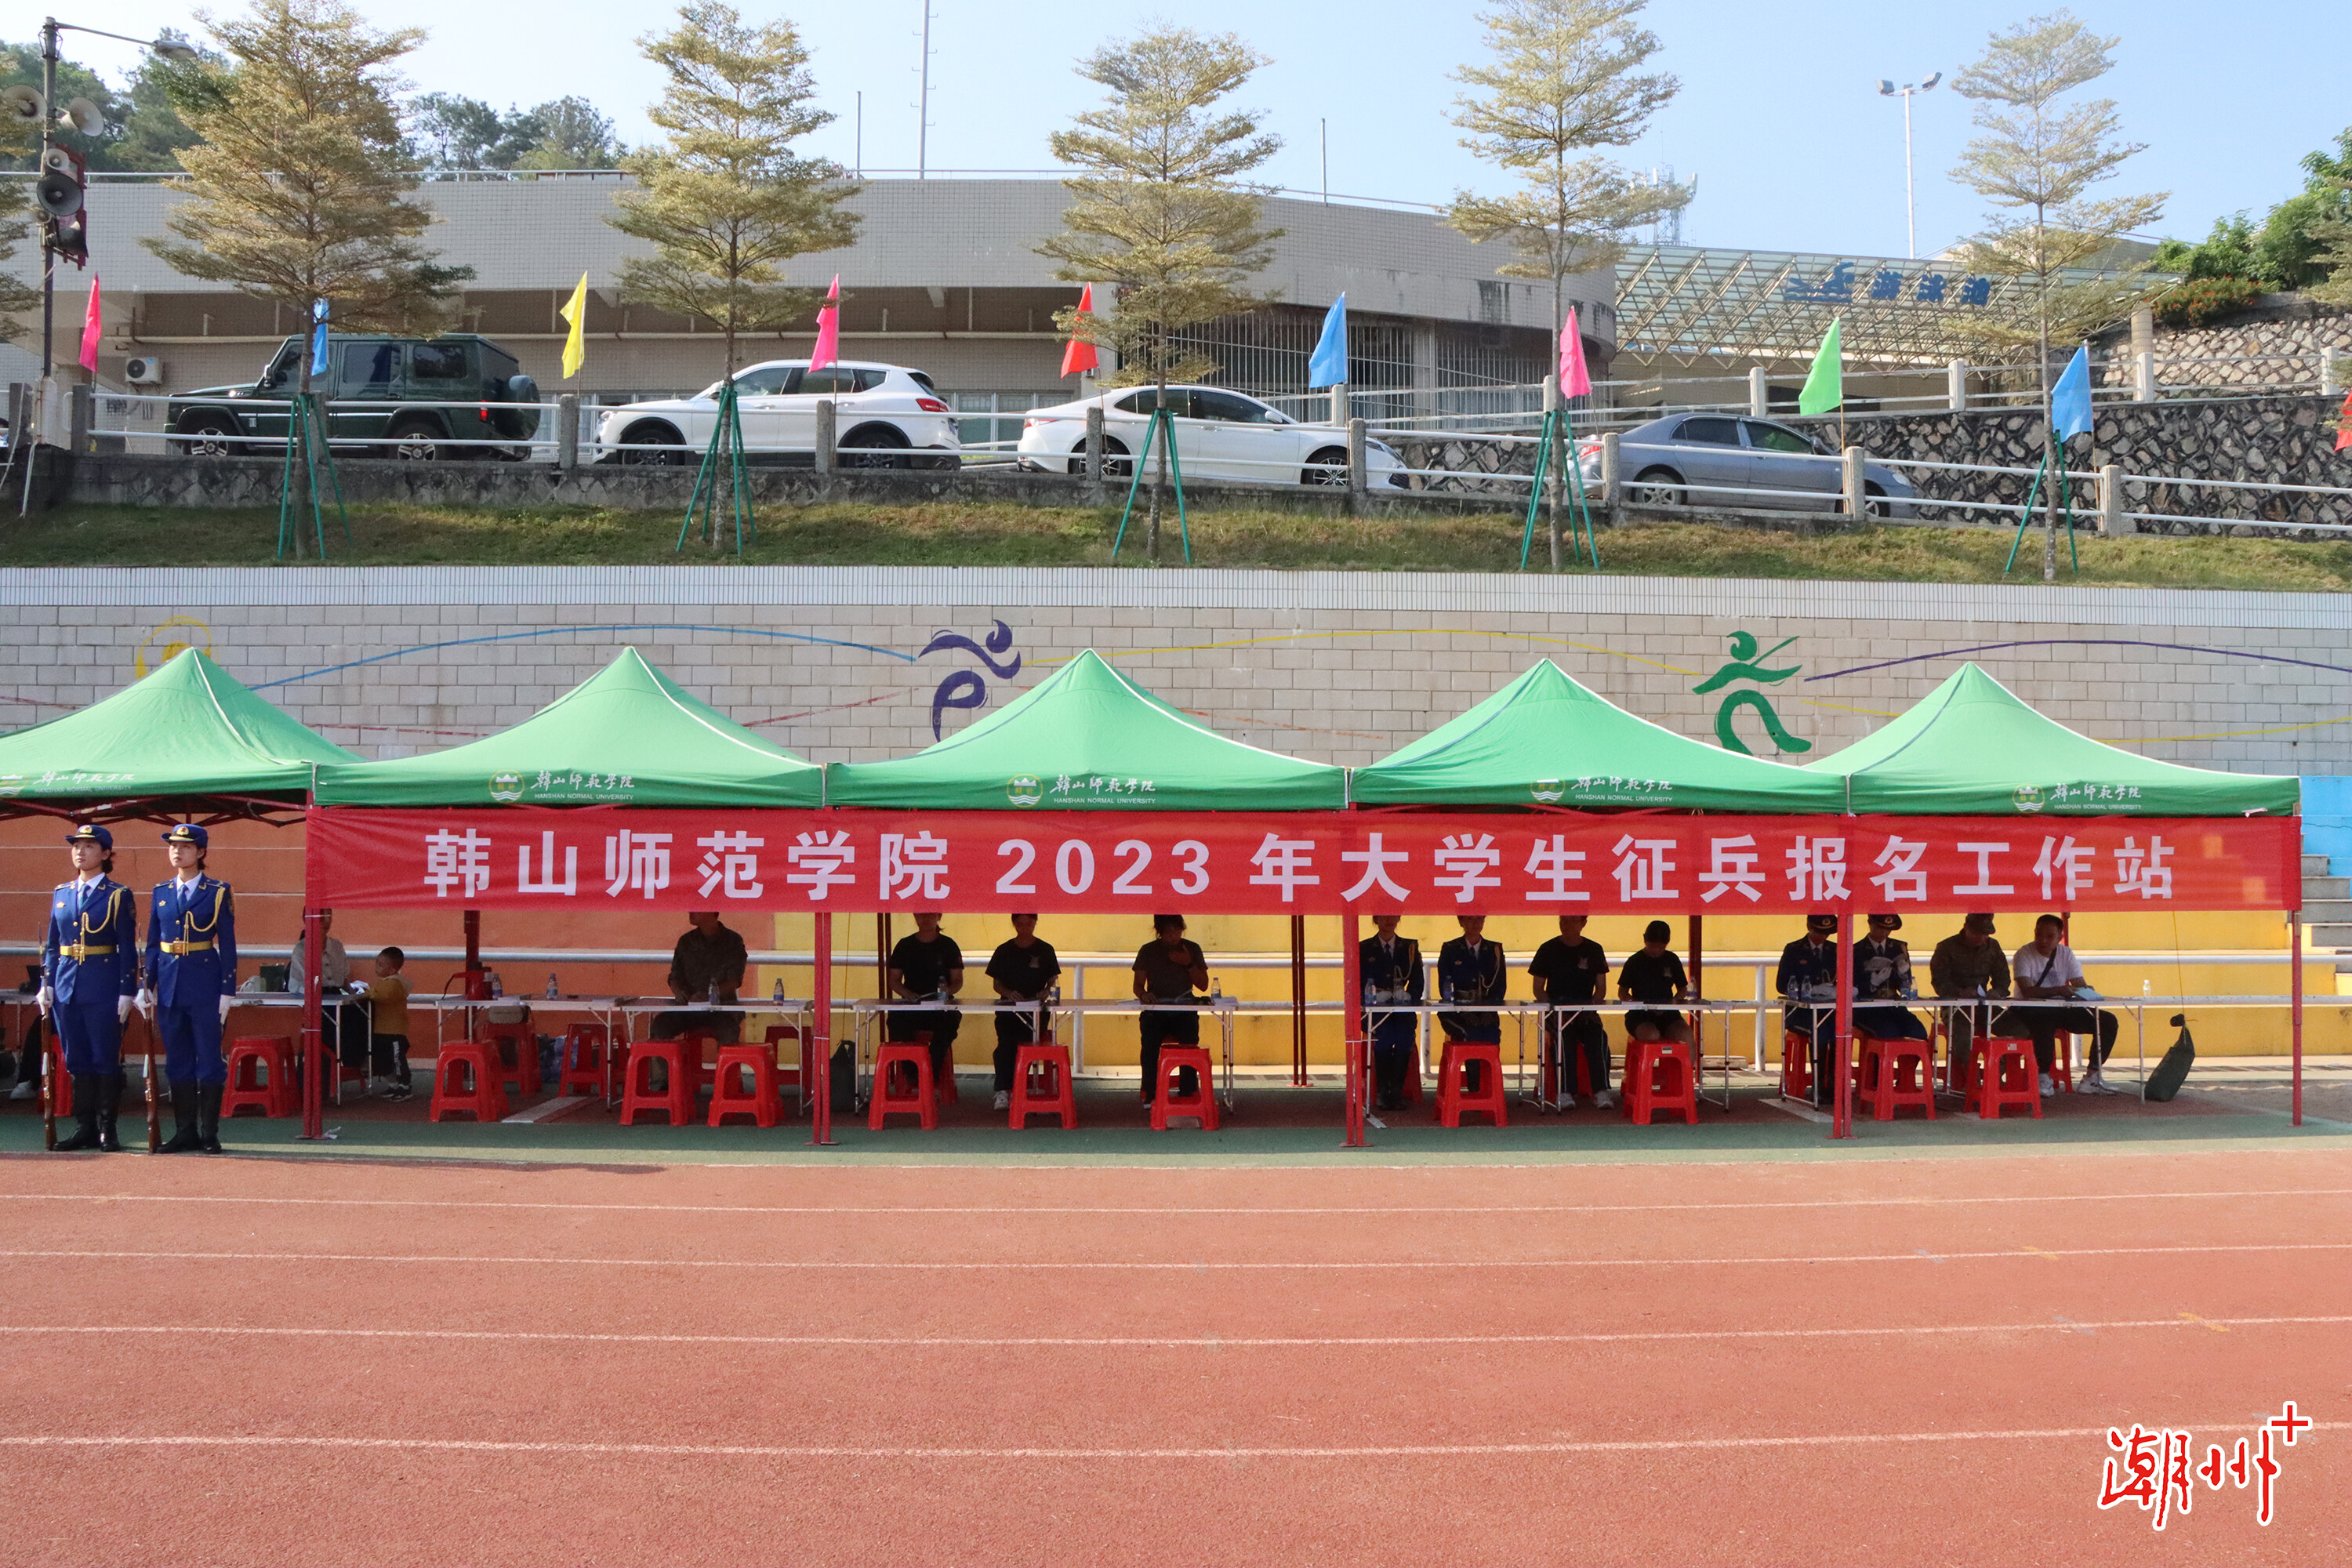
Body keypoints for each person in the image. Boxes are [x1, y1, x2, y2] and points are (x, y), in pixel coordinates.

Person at [140, 823, 238, 1153]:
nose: (177, 851)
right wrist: (146, 984)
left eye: (184, 847)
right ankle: (185, 1131)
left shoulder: (217, 891)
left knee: (209, 1060)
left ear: (201, 852)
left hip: (204, 984)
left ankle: (209, 1133)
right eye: (172, 846)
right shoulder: (161, 891)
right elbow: (153, 943)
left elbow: (228, 943)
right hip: (169, 986)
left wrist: (227, 991)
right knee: (177, 1061)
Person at [39, 825, 139, 1152]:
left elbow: (127, 947)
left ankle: (108, 1129)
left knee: (103, 1058)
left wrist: (127, 990)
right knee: (76, 1059)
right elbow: (53, 945)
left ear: (106, 854)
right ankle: (85, 1127)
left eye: (89, 846)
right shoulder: (62, 893)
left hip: (102, 986)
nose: (80, 852)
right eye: (76, 846)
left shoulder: (117, 895)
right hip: (67, 986)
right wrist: (47, 983)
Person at [2012, 914, 2123, 1096]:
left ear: (2059, 937)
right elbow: (2027, 991)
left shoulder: (2066, 954)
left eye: (2050, 936)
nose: (2043, 940)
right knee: (2045, 1021)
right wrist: (2059, 990)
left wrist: (2086, 990)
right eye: (2039, 934)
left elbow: (2078, 981)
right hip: (2029, 1009)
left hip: (2062, 1008)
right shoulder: (2023, 954)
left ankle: (2092, 1076)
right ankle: (2043, 1076)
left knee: (2107, 1021)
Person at [1526, 914, 1613, 1110]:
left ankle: (1601, 1090)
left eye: (1573, 920)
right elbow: (1538, 988)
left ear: (1583, 923)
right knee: (1563, 1036)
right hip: (1557, 1012)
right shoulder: (1547, 949)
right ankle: (1564, 1092)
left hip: (1585, 1012)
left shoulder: (1594, 949)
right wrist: (1554, 1009)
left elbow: (1600, 989)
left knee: (1598, 1036)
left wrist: (1590, 1009)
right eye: (1563, 920)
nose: (1567, 925)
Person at [985, 915, 1060, 1112]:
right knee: (1006, 1046)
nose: (1025, 928)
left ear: (1035, 923)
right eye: (1020, 924)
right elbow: (996, 984)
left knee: (1028, 1046)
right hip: (1009, 1011)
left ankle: (1022, 1088)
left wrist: (1046, 991)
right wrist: (1009, 993)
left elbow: (1052, 979)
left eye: (1030, 923)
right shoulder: (1004, 950)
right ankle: (1002, 1090)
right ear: (1014, 924)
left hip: (1036, 1012)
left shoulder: (1046, 949)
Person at [1132, 914, 1208, 1106]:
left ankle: (1188, 1091)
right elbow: (1138, 985)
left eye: (1178, 932)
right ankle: (1150, 1092)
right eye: (1169, 933)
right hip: (1156, 1010)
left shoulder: (1192, 948)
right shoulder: (1148, 950)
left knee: (1190, 1043)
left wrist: (1188, 963)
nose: (1174, 937)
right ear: (1160, 933)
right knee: (1149, 1044)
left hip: (1184, 1010)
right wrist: (1144, 995)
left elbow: (1204, 985)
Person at [1929, 913, 2012, 1087]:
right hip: (1956, 1007)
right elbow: (1939, 983)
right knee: (1962, 1039)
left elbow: (2003, 978)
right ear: (1966, 928)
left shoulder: (1993, 947)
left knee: (2019, 1030)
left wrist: (1997, 992)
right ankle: (1973, 1080)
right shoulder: (1946, 947)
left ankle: (1994, 1070)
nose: (1982, 938)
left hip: (1985, 1006)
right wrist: (1960, 992)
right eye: (1977, 934)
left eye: (1985, 934)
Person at [887, 913, 964, 1087]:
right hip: (911, 1006)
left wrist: (945, 992)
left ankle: (930, 1074)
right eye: (921, 915)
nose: (925, 918)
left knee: (949, 1024)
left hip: (941, 1007)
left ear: (939, 916)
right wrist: (907, 993)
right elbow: (894, 980)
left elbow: (958, 981)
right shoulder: (904, 945)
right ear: (915, 916)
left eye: (930, 915)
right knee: (895, 1022)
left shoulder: (949, 945)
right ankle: (911, 1073)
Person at [1436, 915, 1508, 1096]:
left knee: (1491, 1035)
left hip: (1486, 1011)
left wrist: (1488, 1010)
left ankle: (1490, 1089)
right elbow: (1445, 986)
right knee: (1471, 1034)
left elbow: (1500, 986)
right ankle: (1475, 1090)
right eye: (1470, 919)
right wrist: (1463, 1011)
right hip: (1456, 1013)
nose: (1475, 924)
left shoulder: (1494, 949)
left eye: (1479, 920)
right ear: (1461, 922)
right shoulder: (1450, 949)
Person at [1359, 915, 1424, 1113]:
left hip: (1402, 1010)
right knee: (1384, 1038)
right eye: (1384, 917)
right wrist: (1374, 996)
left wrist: (1408, 996)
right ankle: (1382, 1092)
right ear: (1376, 919)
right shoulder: (1364, 948)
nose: (1390, 921)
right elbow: (1357, 982)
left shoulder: (1409, 947)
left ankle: (1396, 1092)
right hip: (1375, 1012)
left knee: (1405, 1038)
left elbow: (1417, 982)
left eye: (1393, 916)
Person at [1776, 913, 1842, 1107]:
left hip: (1827, 1010)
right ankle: (1818, 1085)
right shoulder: (1794, 950)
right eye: (1819, 932)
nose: (1823, 937)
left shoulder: (1834, 950)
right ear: (1809, 928)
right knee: (1820, 1032)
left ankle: (1834, 1084)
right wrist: (1810, 989)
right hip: (1800, 1013)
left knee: (1839, 1031)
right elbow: (1781, 985)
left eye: (1827, 933)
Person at [668, 911, 747, 1045]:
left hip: (722, 1009)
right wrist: (678, 990)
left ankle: (726, 1060)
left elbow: (734, 981)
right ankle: (663, 1060)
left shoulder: (733, 941)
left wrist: (708, 995)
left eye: (697, 908)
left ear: (711, 911)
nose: (691, 911)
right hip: (688, 1009)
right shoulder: (686, 941)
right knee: (660, 1027)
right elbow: (674, 976)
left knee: (729, 1034)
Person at [1853, 913, 1929, 1047]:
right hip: (1867, 1008)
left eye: (1888, 929)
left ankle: (1908, 1061)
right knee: (1888, 1032)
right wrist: (1872, 982)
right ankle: (1878, 1061)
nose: (1884, 933)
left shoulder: (1898, 947)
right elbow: (1852, 984)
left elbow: (1906, 986)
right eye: (1880, 928)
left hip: (1894, 1005)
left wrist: (1902, 974)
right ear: (1870, 924)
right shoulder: (1857, 950)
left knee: (1918, 1031)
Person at [1617, 920, 1693, 1047]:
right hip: (1640, 1016)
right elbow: (1622, 992)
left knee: (1686, 1034)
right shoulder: (1634, 961)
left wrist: (1672, 1003)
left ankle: (1689, 1061)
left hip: (1668, 1015)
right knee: (1651, 1035)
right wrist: (1635, 1003)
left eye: (1661, 948)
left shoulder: (1672, 960)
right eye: (1652, 947)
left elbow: (1682, 989)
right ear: (1645, 940)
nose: (1656, 951)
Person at [365, 946, 414, 1102]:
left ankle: (405, 1086)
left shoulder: (394, 983)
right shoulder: (384, 981)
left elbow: (383, 996)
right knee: (383, 1059)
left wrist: (366, 992)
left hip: (394, 1030)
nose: (376, 967)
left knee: (397, 1060)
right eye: (376, 963)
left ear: (392, 969)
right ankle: (393, 1084)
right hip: (382, 1029)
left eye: (380, 965)